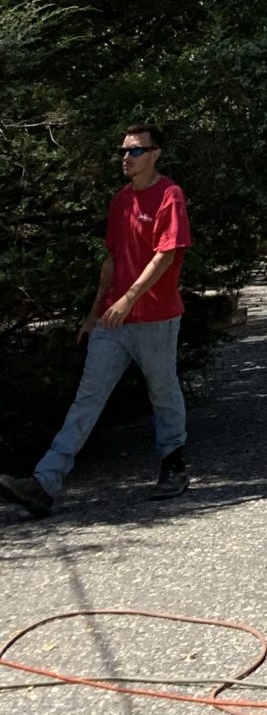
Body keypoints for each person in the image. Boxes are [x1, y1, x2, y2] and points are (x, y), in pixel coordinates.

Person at [0, 122, 193, 518]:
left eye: (135, 151)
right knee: (86, 401)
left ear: (155, 154)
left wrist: (128, 299)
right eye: (123, 151)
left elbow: (166, 256)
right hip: (113, 322)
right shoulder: (121, 201)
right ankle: (43, 484)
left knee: (163, 392)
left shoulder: (169, 195)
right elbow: (111, 258)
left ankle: (174, 467)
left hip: (154, 318)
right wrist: (94, 314)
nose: (127, 157)